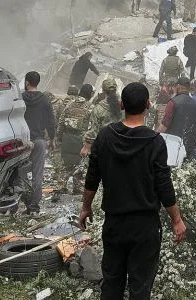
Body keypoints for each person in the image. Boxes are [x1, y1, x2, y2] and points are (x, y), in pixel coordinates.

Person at [80, 82, 186, 300]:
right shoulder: (155, 142)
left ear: (121, 104)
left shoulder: (105, 136)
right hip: (145, 226)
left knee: (112, 282)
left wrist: (85, 207)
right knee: (140, 286)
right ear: (148, 105)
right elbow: (163, 185)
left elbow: (92, 177)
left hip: (114, 223)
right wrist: (176, 219)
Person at [21, 72, 56, 214]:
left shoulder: (20, 98)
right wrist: (52, 138)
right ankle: (34, 206)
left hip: (21, 143)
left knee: (17, 173)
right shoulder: (45, 99)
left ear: (27, 82)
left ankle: (17, 203)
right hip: (39, 141)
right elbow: (51, 121)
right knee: (37, 174)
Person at [53, 85, 92, 193]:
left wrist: (59, 136)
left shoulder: (70, 104)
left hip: (68, 136)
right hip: (82, 138)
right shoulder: (90, 106)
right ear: (90, 94)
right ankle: (77, 187)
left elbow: (61, 121)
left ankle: (61, 185)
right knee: (80, 163)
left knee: (66, 161)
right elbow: (92, 125)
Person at [158, 76, 196, 157]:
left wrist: (155, 136)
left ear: (179, 87)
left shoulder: (173, 102)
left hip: (175, 146)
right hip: (191, 146)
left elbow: (164, 125)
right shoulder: (195, 104)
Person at [84, 79, 124, 156]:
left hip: (102, 147)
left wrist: (87, 146)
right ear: (116, 89)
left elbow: (93, 130)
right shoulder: (124, 107)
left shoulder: (98, 108)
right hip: (120, 147)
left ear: (103, 90)